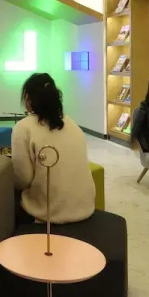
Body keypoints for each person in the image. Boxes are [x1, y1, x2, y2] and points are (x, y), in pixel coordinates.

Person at [12, 73, 95, 225]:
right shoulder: (73, 125)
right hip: (85, 207)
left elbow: (22, 180)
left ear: (27, 97)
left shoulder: (23, 127)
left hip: (48, 215)